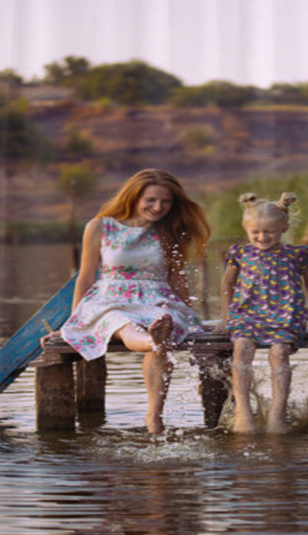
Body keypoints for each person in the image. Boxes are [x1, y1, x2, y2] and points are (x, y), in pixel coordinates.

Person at [41, 169, 210, 433]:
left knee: (161, 326)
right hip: (111, 299)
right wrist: (74, 322)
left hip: (157, 298)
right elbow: (85, 277)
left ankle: (154, 417)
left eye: (165, 202)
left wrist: (189, 315)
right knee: (123, 322)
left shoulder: (171, 230)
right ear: (133, 196)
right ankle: (151, 338)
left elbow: (177, 278)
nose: (158, 207)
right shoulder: (100, 226)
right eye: (151, 200)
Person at [216, 192, 308, 434]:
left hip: (285, 314)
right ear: (246, 229)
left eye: (269, 232)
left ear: (284, 227)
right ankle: (243, 410)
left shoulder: (296, 254)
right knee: (242, 347)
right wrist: (226, 317)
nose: (262, 237)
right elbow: (227, 285)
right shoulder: (240, 253)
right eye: (255, 232)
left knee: (279, 353)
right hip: (247, 314)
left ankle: (277, 413)